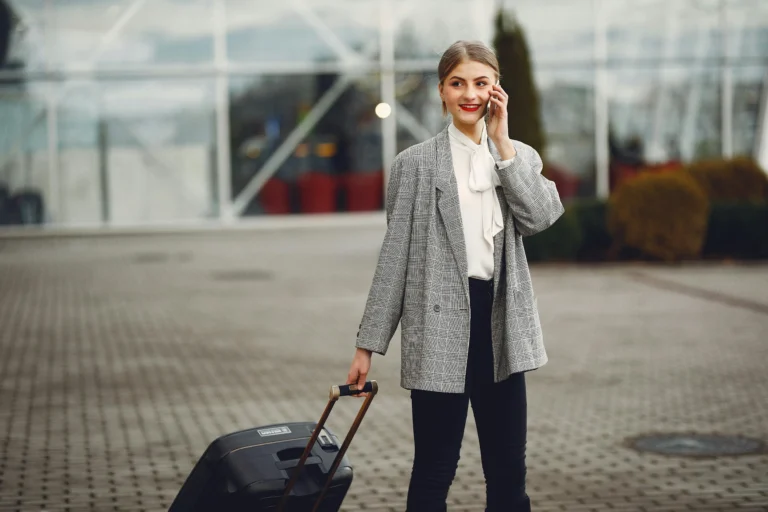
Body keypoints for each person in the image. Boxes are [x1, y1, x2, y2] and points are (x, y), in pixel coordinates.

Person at [346, 40, 564, 512]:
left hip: (500, 325)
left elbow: (542, 217)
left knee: (508, 472)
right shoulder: (414, 165)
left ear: (496, 90)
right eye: (458, 83)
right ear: (442, 92)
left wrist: (503, 147)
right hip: (437, 325)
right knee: (434, 469)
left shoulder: (518, 157)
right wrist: (368, 345)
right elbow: (394, 261)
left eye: (481, 83)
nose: (470, 93)